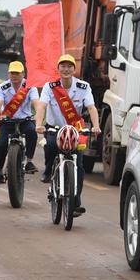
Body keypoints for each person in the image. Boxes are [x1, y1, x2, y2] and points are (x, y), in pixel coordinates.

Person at [34, 54, 101, 217]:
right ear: (58, 69)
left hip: (74, 130)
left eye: (69, 66)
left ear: (74, 69)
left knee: (79, 165)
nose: (66, 69)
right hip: (53, 128)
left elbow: (91, 108)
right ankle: (49, 170)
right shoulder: (50, 87)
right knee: (50, 146)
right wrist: (38, 124)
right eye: (63, 66)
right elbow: (42, 106)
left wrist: (96, 126)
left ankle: (76, 202)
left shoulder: (83, 87)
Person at [0, 61, 40, 185]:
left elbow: (36, 102)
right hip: (7, 120)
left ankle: (29, 161)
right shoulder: (3, 87)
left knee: (32, 132)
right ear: (8, 74)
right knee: (0, 145)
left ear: (23, 74)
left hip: (25, 120)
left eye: (17, 73)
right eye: (12, 73)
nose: (15, 76)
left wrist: (39, 115)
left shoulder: (30, 86)